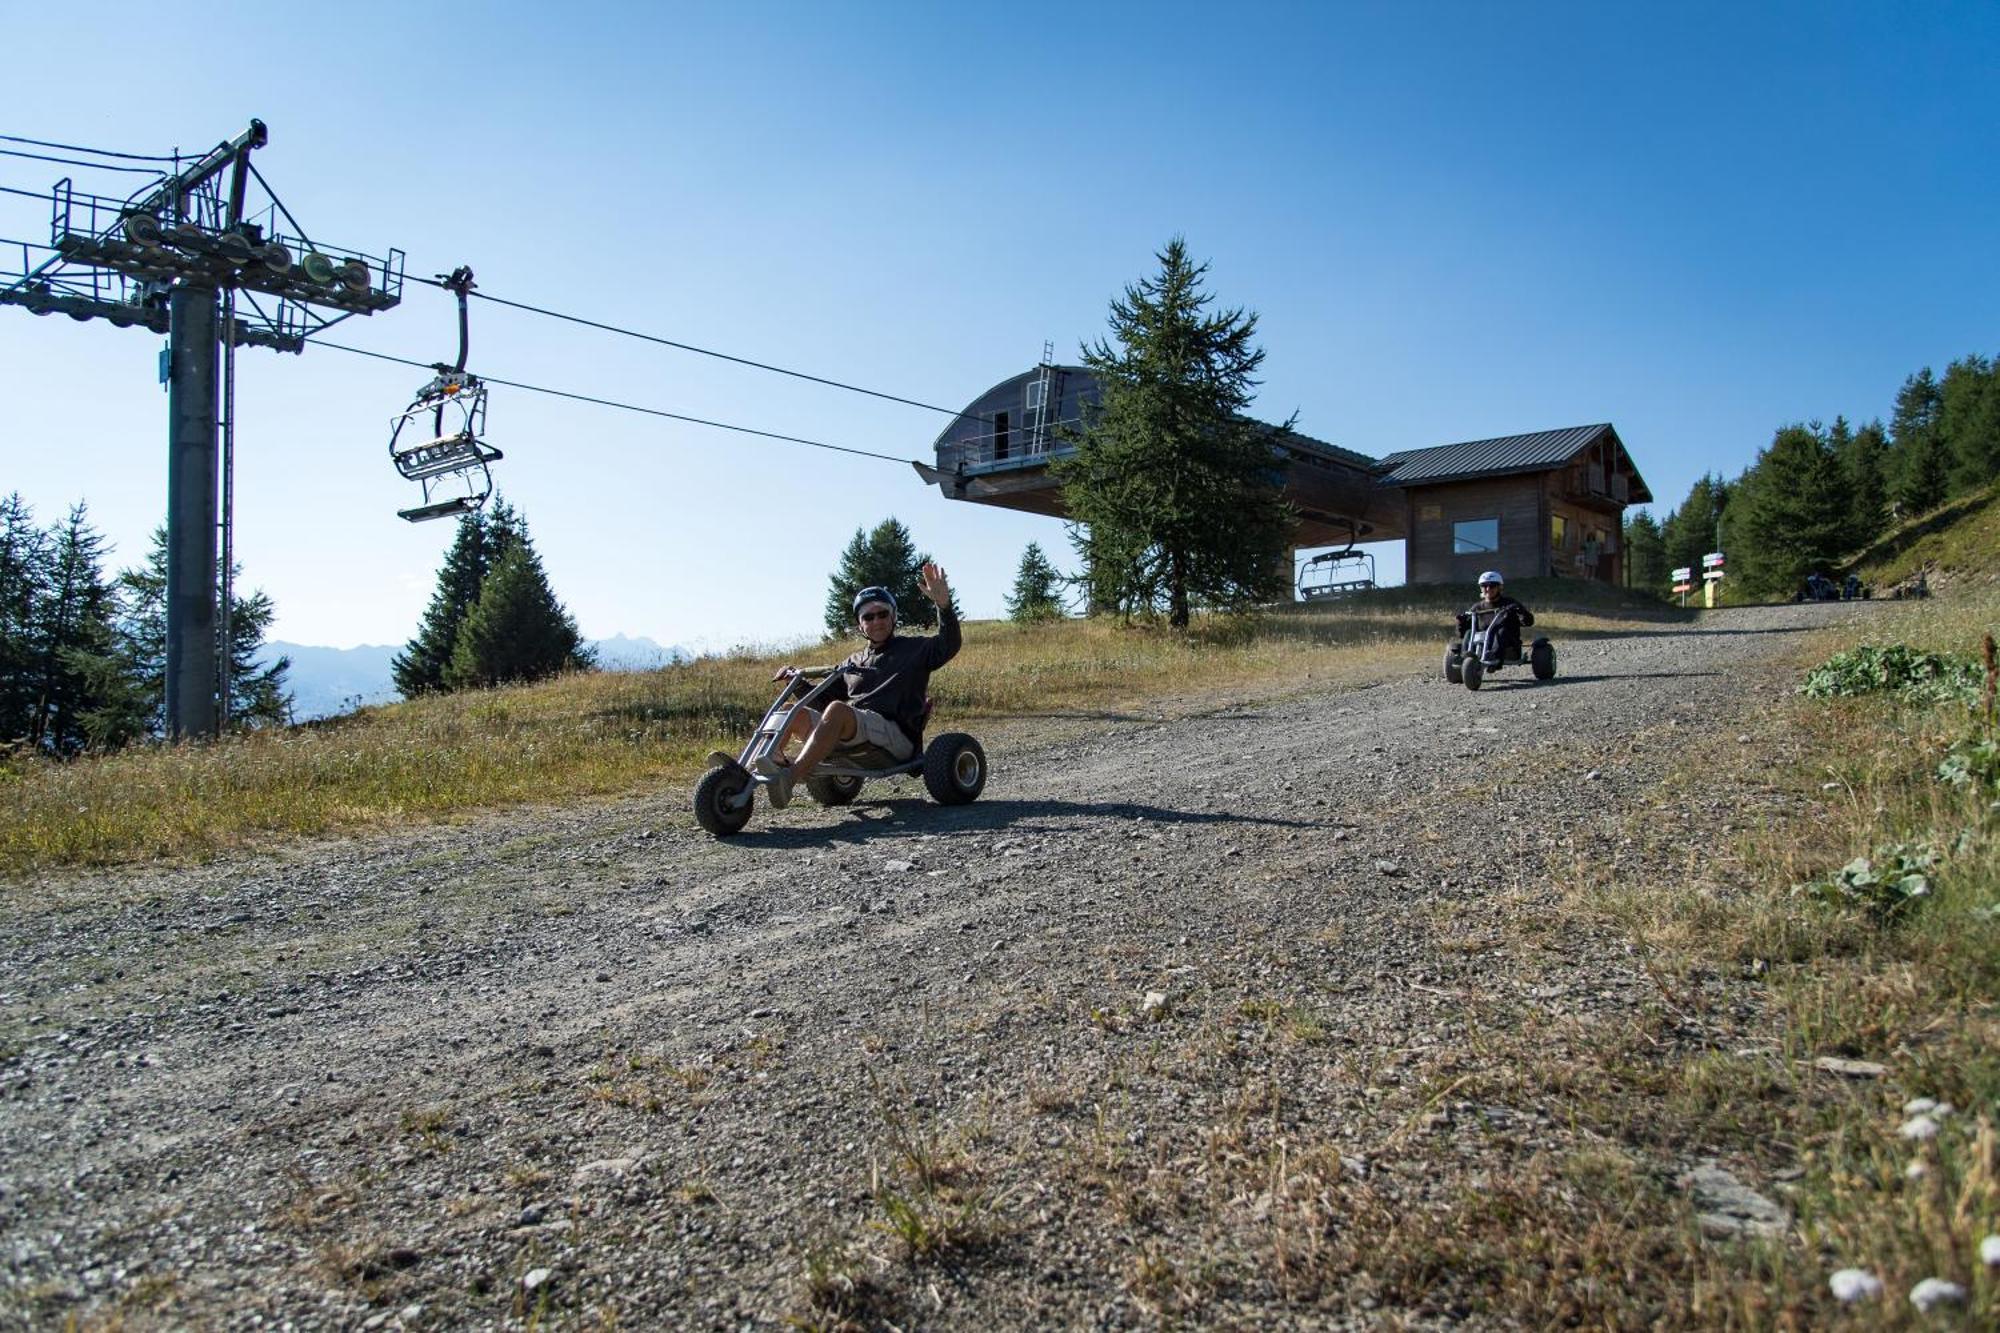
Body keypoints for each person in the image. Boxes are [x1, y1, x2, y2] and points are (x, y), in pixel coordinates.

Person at [755, 562, 960, 808]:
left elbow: (949, 644)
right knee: (790, 711)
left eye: (883, 614)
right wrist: (795, 682)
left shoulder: (915, 648)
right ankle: (747, 774)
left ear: (893, 616)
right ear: (860, 624)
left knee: (838, 710)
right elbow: (822, 701)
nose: (876, 621)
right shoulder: (852, 662)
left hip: (896, 738)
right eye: (868, 616)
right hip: (855, 731)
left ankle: (790, 778)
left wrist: (944, 606)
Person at [1458, 570, 1534, 662]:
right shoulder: (1477, 607)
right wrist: (1460, 622)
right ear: (1481, 588)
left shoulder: (1509, 603)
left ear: (1500, 587)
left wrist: (1520, 611)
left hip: (1508, 648)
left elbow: (1529, 622)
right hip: (1481, 646)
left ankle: (1493, 657)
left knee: (1501, 630)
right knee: (1469, 632)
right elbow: (1461, 634)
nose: (1488, 589)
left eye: (1492, 585)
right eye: (1484, 586)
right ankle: (1465, 658)